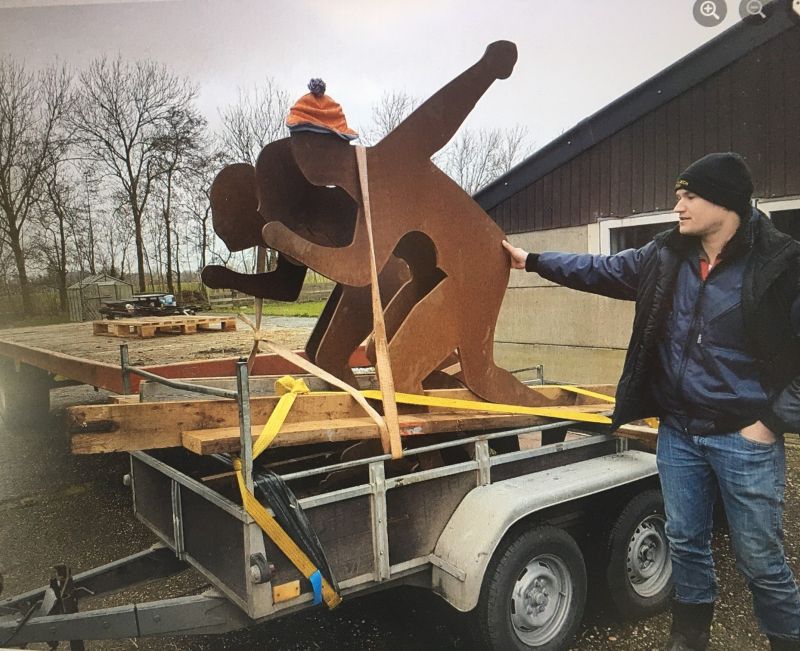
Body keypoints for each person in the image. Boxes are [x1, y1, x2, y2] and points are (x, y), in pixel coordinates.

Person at [503, 152, 800, 651]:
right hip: (678, 433)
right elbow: (600, 269)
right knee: (685, 543)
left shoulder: (782, 265)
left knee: (760, 559)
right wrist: (532, 260)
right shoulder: (666, 255)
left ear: (725, 203)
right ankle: (688, 639)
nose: (677, 206)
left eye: (689, 196)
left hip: (744, 439)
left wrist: (771, 421)